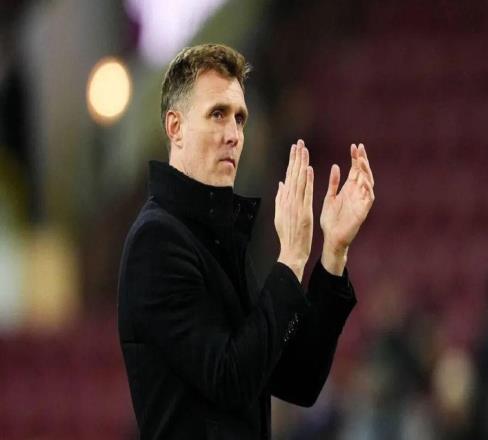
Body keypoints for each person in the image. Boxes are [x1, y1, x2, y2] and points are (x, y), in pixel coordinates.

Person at [118, 43, 375, 439]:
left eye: (240, 118)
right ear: (175, 127)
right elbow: (229, 378)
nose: (234, 135)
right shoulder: (157, 242)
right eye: (217, 114)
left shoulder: (218, 239)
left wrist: (333, 254)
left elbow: (298, 380)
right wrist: (291, 260)